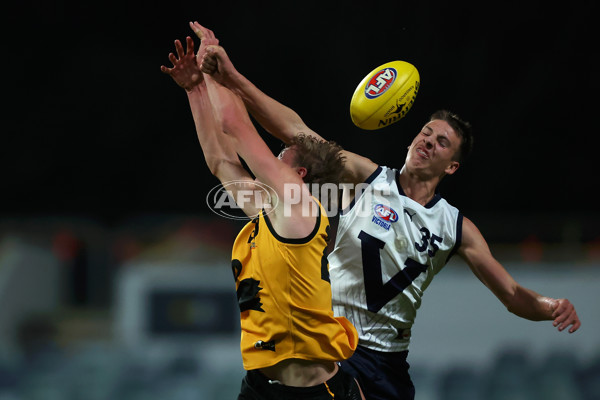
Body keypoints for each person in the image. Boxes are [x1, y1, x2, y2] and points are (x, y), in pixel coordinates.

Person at [192, 22, 582, 400]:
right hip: (333, 343)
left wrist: (551, 307)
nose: (427, 141)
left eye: (442, 142)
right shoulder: (368, 177)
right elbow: (295, 131)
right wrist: (234, 79)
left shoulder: (456, 227)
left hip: (385, 363)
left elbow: (512, 294)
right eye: (426, 132)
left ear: (452, 167)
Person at [160, 30, 365, 400]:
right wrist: (195, 90)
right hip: (261, 387)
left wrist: (213, 69)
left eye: (283, 153)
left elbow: (236, 127)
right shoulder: (273, 213)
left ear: (298, 175)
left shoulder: (299, 205)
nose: (273, 155)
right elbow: (221, 161)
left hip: (317, 392)